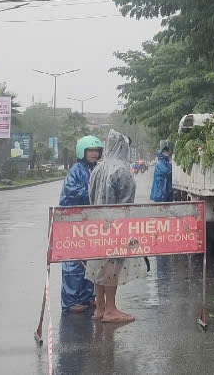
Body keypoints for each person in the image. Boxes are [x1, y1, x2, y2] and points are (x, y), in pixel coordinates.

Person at [86, 130, 140, 324]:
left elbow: (90, 197)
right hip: (116, 227)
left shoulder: (98, 168)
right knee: (111, 266)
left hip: (97, 225)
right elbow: (126, 204)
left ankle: (100, 307)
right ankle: (110, 309)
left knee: (100, 264)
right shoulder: (122, 170)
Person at [59, 135, 103, 314]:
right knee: (74, 261)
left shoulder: (97, 169)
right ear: (82, 152)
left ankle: (88, 296)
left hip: (89, 221)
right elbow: (70, 191)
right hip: (73, 221)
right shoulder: (76, 170)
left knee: (90, 259)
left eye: (96, 151)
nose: (94, 154)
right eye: (91, 151)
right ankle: (71, 301)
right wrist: (91, 192)